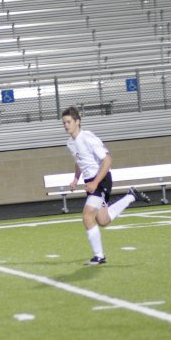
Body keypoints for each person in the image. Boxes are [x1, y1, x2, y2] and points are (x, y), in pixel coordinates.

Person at [62, 105, 150, 265]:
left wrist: (95, 182)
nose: (66, 125)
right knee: (102, 220)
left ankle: (99, 256)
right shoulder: (70, 143)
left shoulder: (88, 138)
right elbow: (79, 161)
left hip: (101, 179)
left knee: (87, 216)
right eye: (64, 123)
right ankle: (131, 195)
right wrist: (76, 179)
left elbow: (108, 160)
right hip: (92, 183)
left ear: (78, 122)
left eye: (68, 122)